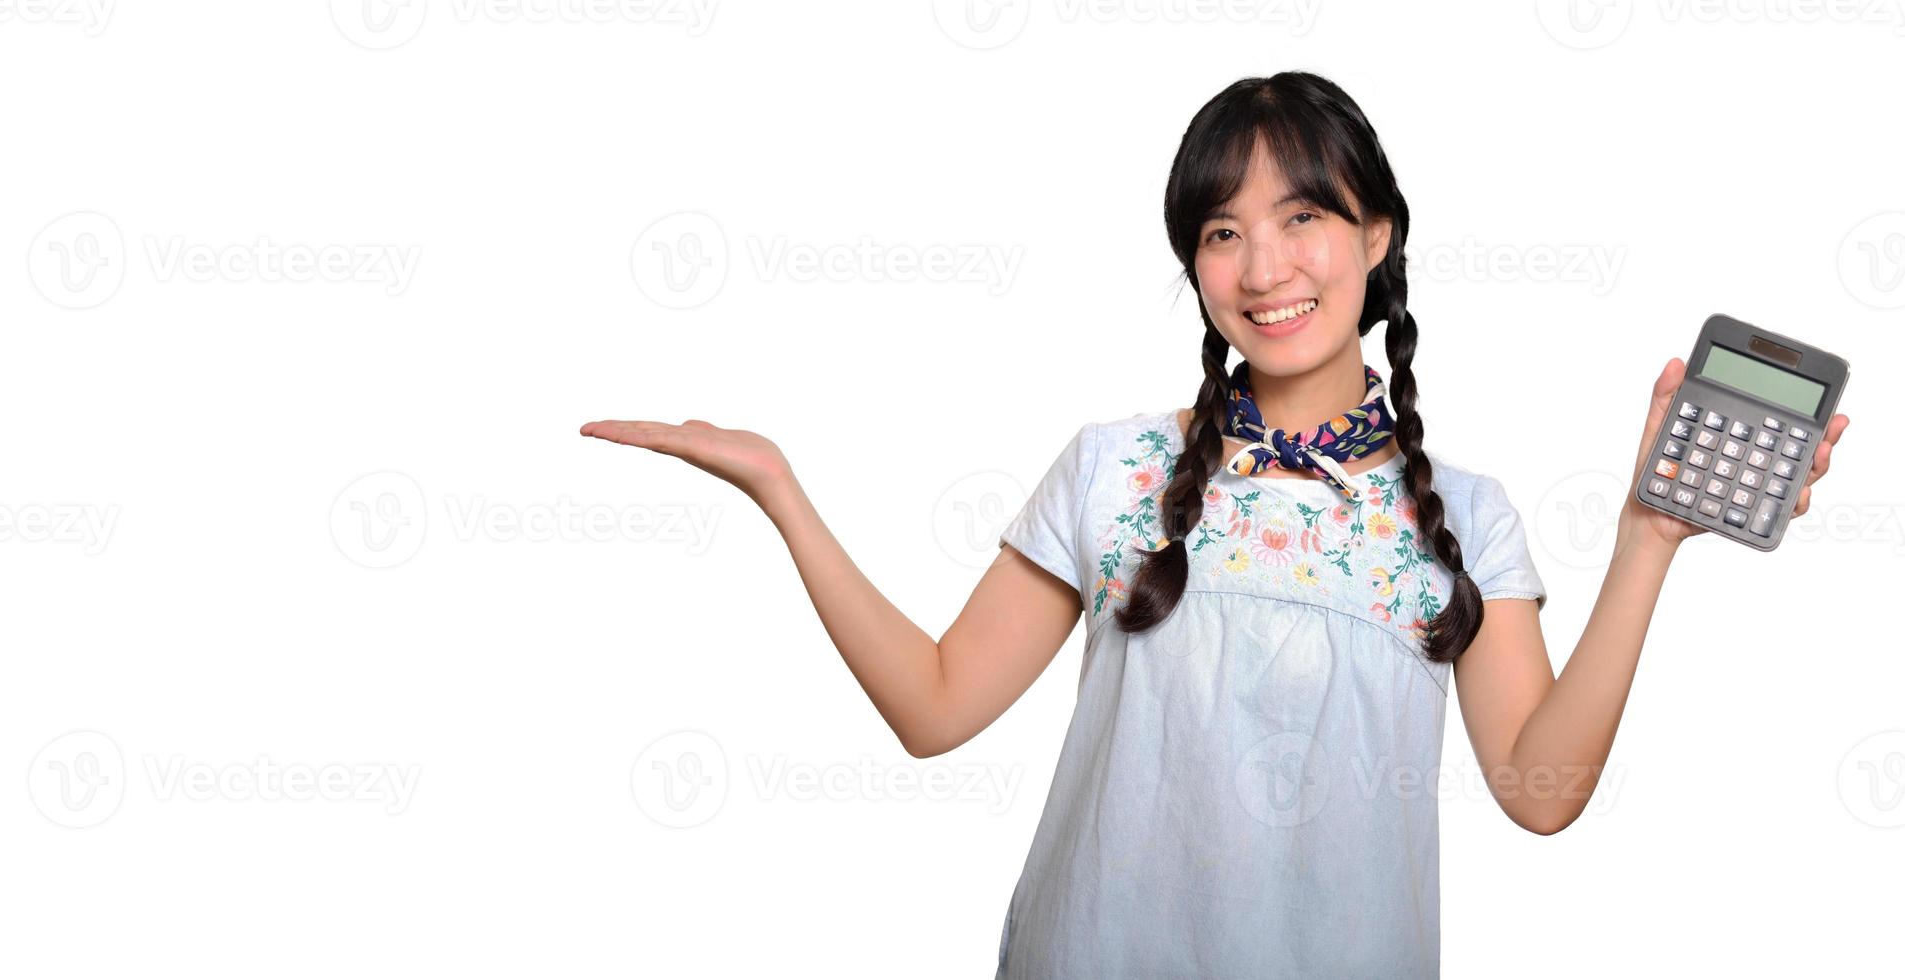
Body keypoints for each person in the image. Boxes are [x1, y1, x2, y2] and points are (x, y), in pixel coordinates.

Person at [579, 70, 1851, 978]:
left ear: (1377, 233)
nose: (1263, 268)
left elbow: (1538, 789)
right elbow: (932, 706)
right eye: (1221, 232)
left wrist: (1645, 537)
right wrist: (784, 495)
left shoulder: (1464, 515)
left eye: (1303, 216)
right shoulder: (1112, 467)